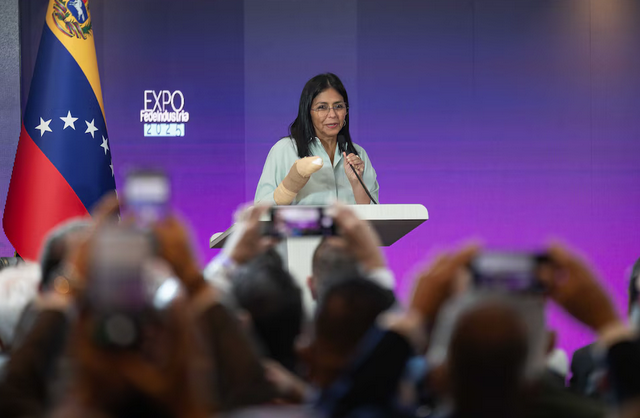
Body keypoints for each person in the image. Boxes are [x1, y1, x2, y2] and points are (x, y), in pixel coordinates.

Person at [255, 73, 379, 205]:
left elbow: (376, 214)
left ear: (346, 111)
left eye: (338, 106)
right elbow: (261, 210)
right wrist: (290, 185)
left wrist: (356, 182)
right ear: (308, 112)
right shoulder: (285, 150)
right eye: (322, 107)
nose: (332, 114)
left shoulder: (359, 155)